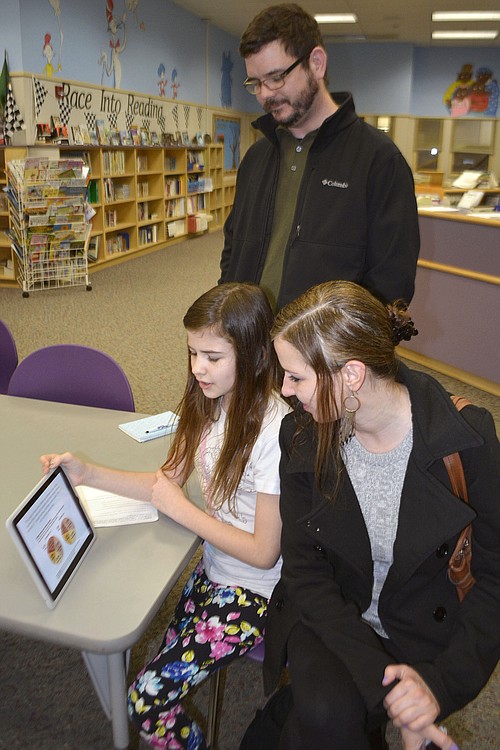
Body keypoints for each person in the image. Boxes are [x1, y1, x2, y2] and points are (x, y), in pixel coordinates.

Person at [40, 282, 290, 750]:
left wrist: (183, 510)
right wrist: (87, 473)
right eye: (193, 352)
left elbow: (263, 551)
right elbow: (163, 484)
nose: (198, 368)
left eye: (213, 357)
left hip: (257, 595)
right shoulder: (211, 402)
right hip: (214, 572)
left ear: (255, 355)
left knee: (145, 700)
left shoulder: (273, 434)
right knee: (153, 664)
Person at [260, 280, 500, 750]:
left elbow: (494, 577)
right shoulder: (303, 434)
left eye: (296, 376)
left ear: (351, 375)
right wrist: (390, 688)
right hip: (334, 617)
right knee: (328, 716)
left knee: (318, 726)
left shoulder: (467, 441)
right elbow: (306, 570)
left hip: (424, 626)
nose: (284, 389)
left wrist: (438, 686)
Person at [219, 4, 420, 311]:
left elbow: (392, 283)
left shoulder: (380, 161)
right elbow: (233, 250)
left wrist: (337, 351)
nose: (265, 95)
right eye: (255, 83)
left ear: (316, 63)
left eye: (276, 77)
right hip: (251, 344)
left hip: (323, 355)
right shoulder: (256, 158)